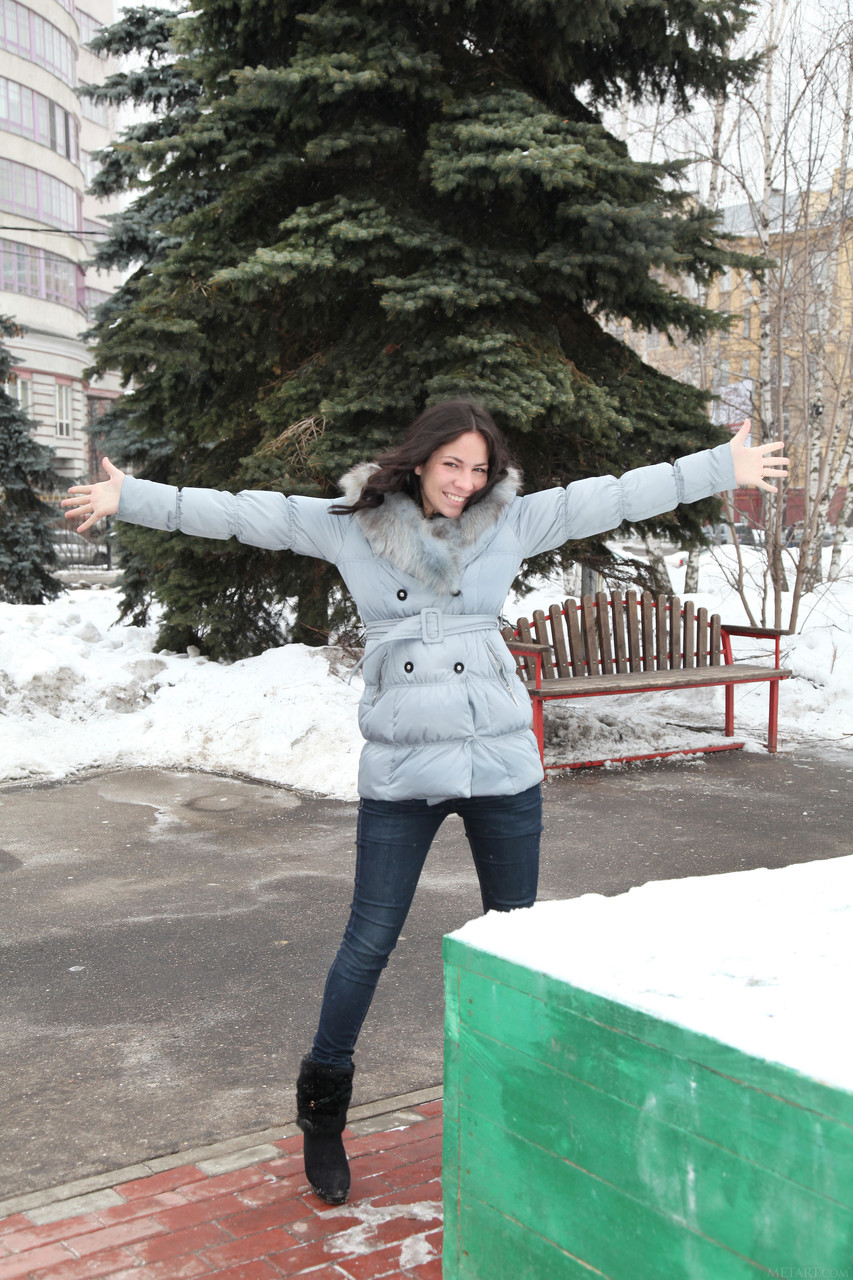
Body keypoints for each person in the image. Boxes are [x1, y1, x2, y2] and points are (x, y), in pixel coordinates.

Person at [63, 400, 788, 1204]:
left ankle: (520, 1103)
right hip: (403, 770)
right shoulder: (351, 526)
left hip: (500, 761)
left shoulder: (511, 521)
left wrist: (720, 469)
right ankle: (322, 1111)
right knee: (367, 944)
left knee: (519, 942)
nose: (465, 483)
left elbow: (614, 494)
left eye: (479, 470)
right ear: (419, 461)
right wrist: (131, 497)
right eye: (453, 465)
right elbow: (246, 516)